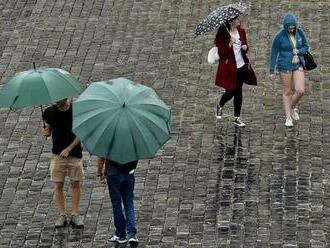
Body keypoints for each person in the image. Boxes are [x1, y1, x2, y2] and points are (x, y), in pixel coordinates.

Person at [41, 98, 84, 228]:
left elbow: (82, 132)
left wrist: (69, 148)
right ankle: (61, 215)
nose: (56, 102)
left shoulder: (76, 110)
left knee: (75, 183)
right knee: (58, 185)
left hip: (74, 154)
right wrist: (46, 132)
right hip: (57, 155)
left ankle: (75, 214)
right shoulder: (50, 112)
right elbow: (49, 129)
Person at [214, 16, 257, 127]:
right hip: (230, 69)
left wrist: (245, 47)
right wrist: (229, 44)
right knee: (230, 92)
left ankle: (237, 117)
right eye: (237, 19)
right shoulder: (223, 35)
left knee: (239, 93)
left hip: (241, 66)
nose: (239, 20)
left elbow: (246, 47)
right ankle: (220, 104)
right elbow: (222, 54)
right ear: (231, 21)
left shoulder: (241, 31)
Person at [269, 12, 309, 127]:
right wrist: (271, 71)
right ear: (285, 27)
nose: (292, 29)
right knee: (287, 91)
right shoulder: (279, 36)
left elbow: (306, 47)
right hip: (284, 66)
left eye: (293, 27)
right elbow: (273, 53)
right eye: (289, 28)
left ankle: (291, 107)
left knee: (300, 90)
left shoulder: (300, 32)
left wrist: (299, 51)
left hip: (298, 64)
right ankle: (288, 117)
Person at [97, 158, 139, 246]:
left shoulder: (108, 143)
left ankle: (121, 234)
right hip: (128, 173)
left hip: (113, 174)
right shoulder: (132, 143)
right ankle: (132, 234)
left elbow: (101, 157)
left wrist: (99, 172)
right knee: (128, 203)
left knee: (116, 203)